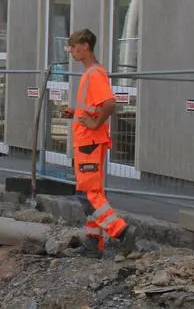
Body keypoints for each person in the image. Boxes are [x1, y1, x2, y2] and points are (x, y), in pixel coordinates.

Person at [61, 28, 136, 255]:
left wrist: (94, 124)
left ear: (85, 46)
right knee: (94, 194)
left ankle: (121, 231)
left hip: (89, 142)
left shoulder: (94, 74)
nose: (71, 51)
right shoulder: (91, 73)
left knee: (88, 194)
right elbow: (94, 108)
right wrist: (76, 113)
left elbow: (109, 104)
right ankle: (93, 243)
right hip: (89, 141)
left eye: (74, 47)